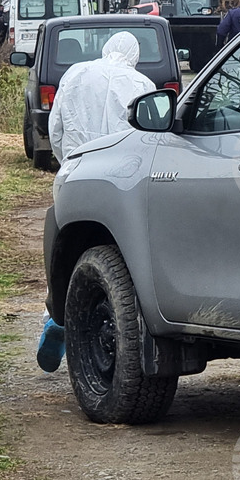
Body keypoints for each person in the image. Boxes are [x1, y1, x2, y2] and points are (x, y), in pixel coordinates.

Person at [37, 31, 155, 372]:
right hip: (123, 182)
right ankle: (115, 329)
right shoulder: (141, 83)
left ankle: (58, 319)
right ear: (134, 55)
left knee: (70, 253)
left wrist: (67, 163)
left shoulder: (75, 74)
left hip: (77, 174)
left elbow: (55, 127)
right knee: (119, 258)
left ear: (105, 48)